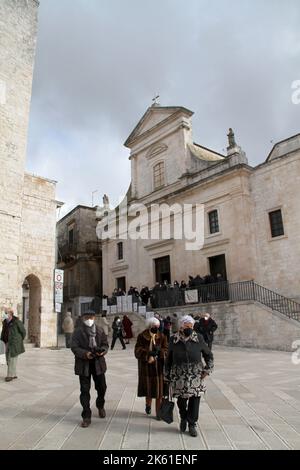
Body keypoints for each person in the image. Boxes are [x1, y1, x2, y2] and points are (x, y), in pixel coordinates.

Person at [165, 315, 214, 437]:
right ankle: (183, 417)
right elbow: (169, 358)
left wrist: (207, 369)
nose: (189, 328)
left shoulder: (199, 338)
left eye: (191, 326)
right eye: (187, 326)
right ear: (181, 326)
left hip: (195, 375)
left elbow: (208, 354)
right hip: (178, 376)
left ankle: (192, 424)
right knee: (181, 400)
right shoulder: (173, 339)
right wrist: (166, 375)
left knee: (195, 400)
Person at [71, 310, 109, 428]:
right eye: (87, 317)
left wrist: (102, 351)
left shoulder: (99, 330)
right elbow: (74, 347)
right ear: (83, 318)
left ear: (94, 318)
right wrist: (85, 354)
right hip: (84, 364)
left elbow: (105, 344)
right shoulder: (78, 331)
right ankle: (86, 416)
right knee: (85, 391)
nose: (89, 319)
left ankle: (100, 404)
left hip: (98, 363)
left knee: (102, 387)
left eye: (91, 317)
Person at [134, 317, 168, 419]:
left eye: (157, 326)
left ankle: (158, 413)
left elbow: (166, 349)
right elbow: (137, 350)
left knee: (159, 393)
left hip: (158, 368)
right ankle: (148, 405)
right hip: (146, 368)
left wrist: (159, 353)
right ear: (149, 326)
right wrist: (148, 354)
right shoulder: (142, 336)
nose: (156, 328)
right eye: (154, 326)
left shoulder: (162, 336)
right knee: (148, 390)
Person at [1, 308, 26, 382]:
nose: (4, 314)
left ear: (10, 314)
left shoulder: (17, 322)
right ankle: (14, 374)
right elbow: (3, 332)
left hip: (14, 343)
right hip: (7, 342)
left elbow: (23, 332)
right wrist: (3, 340)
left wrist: (18, 340)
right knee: (8, 359)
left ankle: (10, 376)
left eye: (6, 313)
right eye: (4, 313)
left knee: (11, 358)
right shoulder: (5, 322)